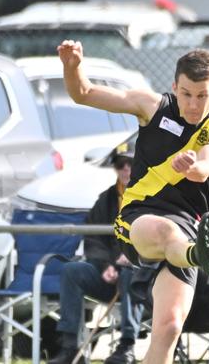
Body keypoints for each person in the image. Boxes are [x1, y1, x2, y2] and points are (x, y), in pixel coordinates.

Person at [57, 40, 209, 364]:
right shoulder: (150, 106)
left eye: (202, 96)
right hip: (140, 216)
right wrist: (73, 67)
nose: (194, 104)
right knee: (166, 233)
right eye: (186, 94)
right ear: (174, 87)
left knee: (168, 328)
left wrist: (195, 167)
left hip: (189, 224)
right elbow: (83, 93)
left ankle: (196, 252)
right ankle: (198, 254)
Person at [48, 151, 143, 364]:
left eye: (131, 164)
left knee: (130, 273)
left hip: (143, 279)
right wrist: (105, 266)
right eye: (120, 165)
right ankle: (70, 346)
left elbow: (161, 237)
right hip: (108, 274)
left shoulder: (153, 196)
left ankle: (127, 346)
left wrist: (135, 256)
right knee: (71, 271)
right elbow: (93, 239)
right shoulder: (106, 199)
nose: (126, 169)